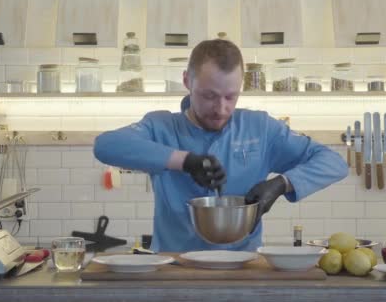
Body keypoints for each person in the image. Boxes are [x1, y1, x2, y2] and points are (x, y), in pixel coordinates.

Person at [94, 39, 348, 252]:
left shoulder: (260, 128)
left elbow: (334, 162)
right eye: (209, 96)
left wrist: (282, 183)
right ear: (187, 81)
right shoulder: (161, 127)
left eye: (231, 96)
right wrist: (185, 161)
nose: (221, 109)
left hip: (243, 272)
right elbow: (105, 145)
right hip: (174, 272)